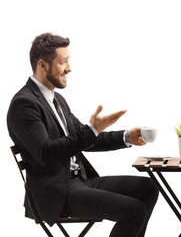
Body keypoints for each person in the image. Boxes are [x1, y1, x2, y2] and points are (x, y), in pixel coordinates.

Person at [7, 33, 159, 237]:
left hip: (80, 182)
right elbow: (46, 152)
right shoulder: (24, 104)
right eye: (63, 62)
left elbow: (84, 139)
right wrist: (92, 130)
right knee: (134, 211)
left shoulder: (57, 100)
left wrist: (126, 137)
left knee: (147, 187)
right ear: (42, 65)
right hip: (56, 193)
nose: (69, 68)